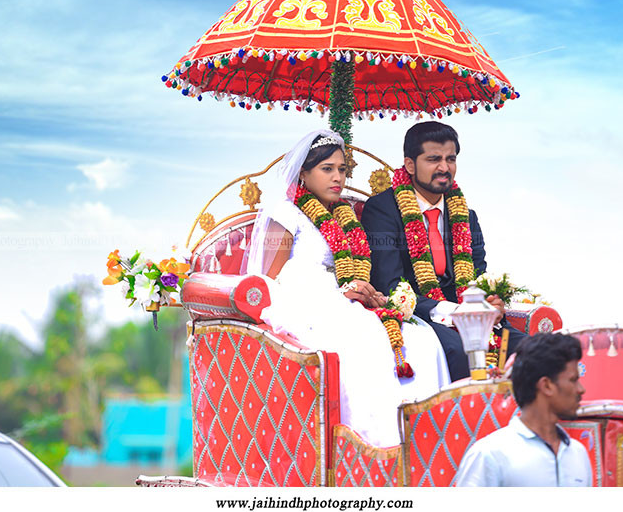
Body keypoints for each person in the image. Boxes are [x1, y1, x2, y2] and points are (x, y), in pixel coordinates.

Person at [245, 129, 450, 448]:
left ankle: (424, 443)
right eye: (327, 169)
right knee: (367, 338)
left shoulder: (344, 215)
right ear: (304, 173)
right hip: (303, 306)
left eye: (342, 169)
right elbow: (270, 283)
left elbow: (355, 268)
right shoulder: (286, 213)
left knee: (420, 338)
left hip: (344, 301)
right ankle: (372, 445)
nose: (337, 177)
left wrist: (364, 291)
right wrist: (341, 294)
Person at [361, 121, 526, 381]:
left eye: (451, 159)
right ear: (410, 164)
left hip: (470, 315)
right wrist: (451, 312)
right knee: (460, 352)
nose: (444, 168)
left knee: (532, 350)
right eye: (433, 159)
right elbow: (389, 284)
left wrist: (490, 301)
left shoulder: (465, 215)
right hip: (418, 314)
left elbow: (479, 274)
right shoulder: (382, 209)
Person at [454, 332, 591, 486]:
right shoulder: (490, 455)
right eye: (573, 380)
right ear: (546, 385)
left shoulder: (578, 453)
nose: (581, 389)